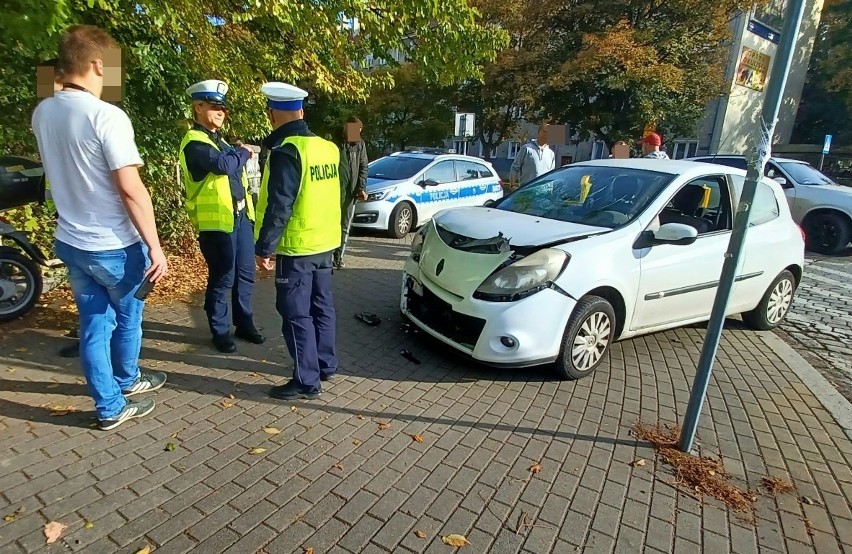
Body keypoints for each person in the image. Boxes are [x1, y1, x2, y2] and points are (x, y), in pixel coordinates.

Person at [31, 25, 168, 430]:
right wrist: (155, 247)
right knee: (127, 318)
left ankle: (109, 401)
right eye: (112, 66)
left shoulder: (44, 111)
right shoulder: (106, 115)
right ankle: (124, 387)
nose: (114, 74)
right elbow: (131, 190)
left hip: (71, 240)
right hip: (113, 244)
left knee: (93, 322)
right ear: (96, 64)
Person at [254, 82, 342, 400]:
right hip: (325, 243)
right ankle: (325, 364)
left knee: (294, 311)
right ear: (301, 111)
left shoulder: (286, 151)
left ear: (272, 115)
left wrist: (264, 248)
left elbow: (280, 205)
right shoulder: (327, 148)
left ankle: (306, 380)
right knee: (322, 306)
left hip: (298, 247)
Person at [179, 79, 265, 353]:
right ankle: (219, 330)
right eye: (215, 107)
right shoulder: (195, 143)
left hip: (238, 218)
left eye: (223, 108)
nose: (221, 112)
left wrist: (236, 149)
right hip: (215, 225)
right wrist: (243, 150)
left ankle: (245, 323)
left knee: (245, 274)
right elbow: (224, 166)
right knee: (222, 277)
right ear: (198, 107)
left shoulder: (220, 140)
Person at [334, 116, 368, 269]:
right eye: (357, 130)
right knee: (332, 223)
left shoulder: (360, 145)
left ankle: (338, 257)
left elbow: (363, 167)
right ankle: (328, 255)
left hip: (350, 191)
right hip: (334, 190)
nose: (359, 133)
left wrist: (361, 188)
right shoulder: (335, 142)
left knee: (345, 225)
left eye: (360, 131)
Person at [509, 123, 556, 189]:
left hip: (544, 194)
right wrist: (512, 185)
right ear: (540, 132)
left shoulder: (551, 154)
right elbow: (515, 167)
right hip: (527, 192)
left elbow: (551, 175)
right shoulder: (527, 149)